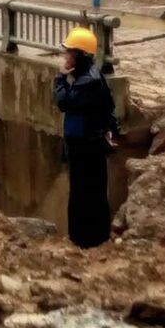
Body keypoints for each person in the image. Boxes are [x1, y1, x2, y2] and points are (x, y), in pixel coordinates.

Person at [53, 25, 117, 248]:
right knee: (93, 192)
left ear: (79, 56)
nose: (65, 57)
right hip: (87, 141)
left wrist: (60, 78)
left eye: (69, 53)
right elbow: (108, 105)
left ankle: (82, 240)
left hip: (84, 145)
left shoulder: (85, 82)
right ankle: (95, 238)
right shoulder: (91, 76)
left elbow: (63, 102)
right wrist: (110, 126)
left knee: (83, 194)